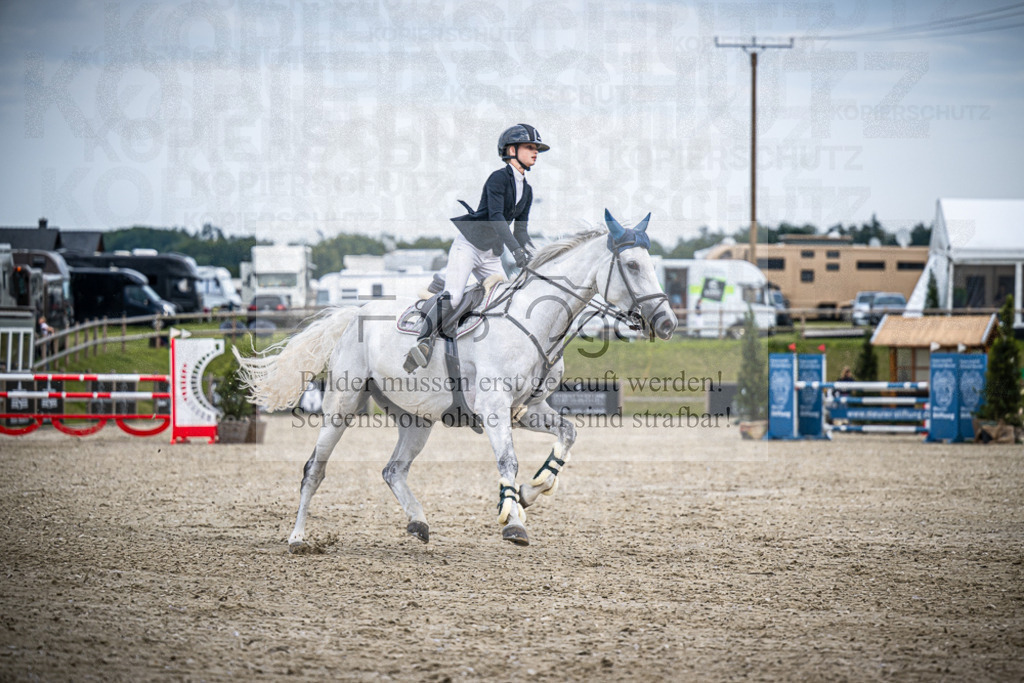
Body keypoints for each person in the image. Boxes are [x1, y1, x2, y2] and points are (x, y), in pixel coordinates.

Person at [405, 123, 550, 371]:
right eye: (529, 147)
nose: (535, 152)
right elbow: (496, 217)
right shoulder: (498, 178)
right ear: (511, 150)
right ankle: (423, 342)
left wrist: (537, 257)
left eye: (536, 148)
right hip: (469, 247)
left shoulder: (527, 190)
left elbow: (521, 231)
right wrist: (515, 251)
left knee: (508, 298)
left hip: (491, 254)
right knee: (455, 297)